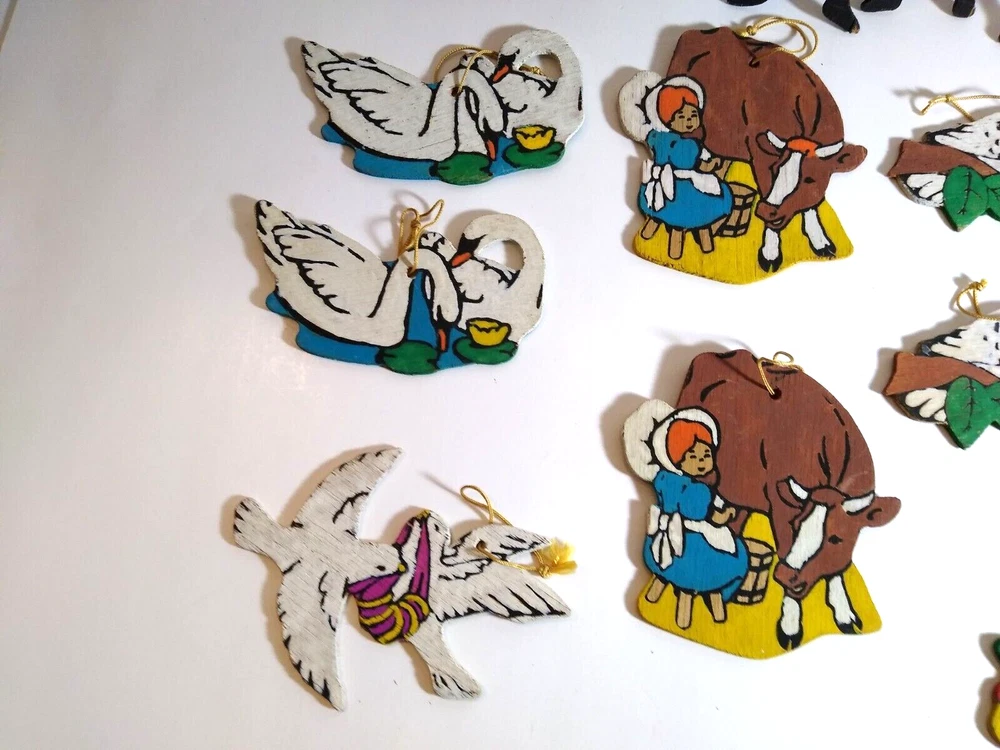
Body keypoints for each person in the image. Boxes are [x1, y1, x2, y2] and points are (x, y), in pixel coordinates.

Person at [643, 413, 749, 629]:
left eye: (706, 454)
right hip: (692, 548)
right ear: (678, 459)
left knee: (670, 568)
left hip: (664, 539)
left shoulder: (665, 480)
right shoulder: (697, 490)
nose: (701, 461)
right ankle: (711, 613)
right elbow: (710, 517)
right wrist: (728, 514)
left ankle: (654, 593)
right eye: (692, 456)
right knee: (735, 556)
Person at [638, 77, 733, 260]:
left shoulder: (692, 142)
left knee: (701, 211)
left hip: (685, 184)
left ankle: (705, 246)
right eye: (681, 117)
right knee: (682, 213)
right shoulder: (666, 139)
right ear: (668, 120)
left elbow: (704, 164)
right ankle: (676, 248)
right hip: (672, 188)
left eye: (693, 115)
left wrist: (712, 164)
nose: (688, 121)